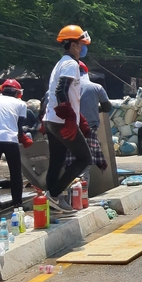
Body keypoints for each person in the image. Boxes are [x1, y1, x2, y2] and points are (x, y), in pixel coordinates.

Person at [43, 25, 92, 213]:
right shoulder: (71, 64)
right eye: (81, 44)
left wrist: (78, 117)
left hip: (53, 120)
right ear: (72, 44)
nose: (83, 47)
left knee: (57, 161)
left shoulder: (61, 63)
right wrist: (71, 118)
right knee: (84, 158)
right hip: (62, 121)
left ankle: (52, 201)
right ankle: (54, 195)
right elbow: (61, 91)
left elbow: (64, 95)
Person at [0, 79, 29, 217]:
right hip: (10, 140)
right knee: (15, 173)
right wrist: (24, 138)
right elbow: (18, 126)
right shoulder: (21, 104)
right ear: (17, 92)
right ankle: (17, 204)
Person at [64, 63, 111, 183]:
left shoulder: (61, 88)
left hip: (66, 130)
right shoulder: (95, 87)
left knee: (69, 164)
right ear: (86, 72)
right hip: (88, 129)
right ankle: (81, 197)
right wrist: (95, 107)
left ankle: (70, 195)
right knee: (85, 164)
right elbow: (107, 107)